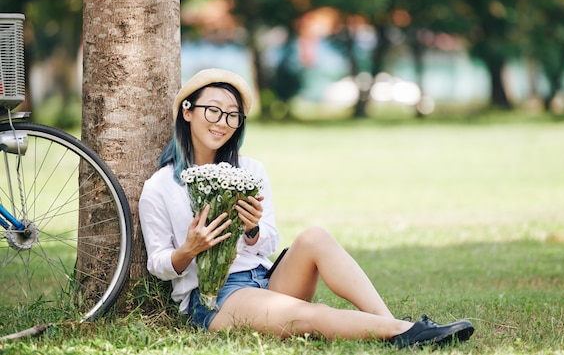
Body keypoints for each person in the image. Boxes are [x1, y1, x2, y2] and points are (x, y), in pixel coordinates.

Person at [138, 68, 475, 349]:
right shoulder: (161, 186)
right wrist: (189, 249)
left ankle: (394, 326)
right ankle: (403, 332)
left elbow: (268, 243)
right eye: (213, 110)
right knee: (311, 316)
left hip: (266, 279)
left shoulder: (249, 170)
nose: (222, 122)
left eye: (232, 115)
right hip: (215, 299)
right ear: (187, 110)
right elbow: (158, 264)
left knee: (314, 237)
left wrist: (253, 229)